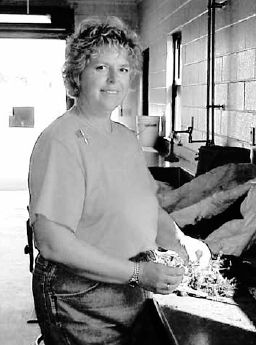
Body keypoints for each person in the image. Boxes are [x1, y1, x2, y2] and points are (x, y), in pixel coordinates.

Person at [28, 16, 211, 345]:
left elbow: (145, 208)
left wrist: (181, 241)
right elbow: (53, 241)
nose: (114, 79)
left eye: (123, 69)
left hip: (130, 284)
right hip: (81, 295)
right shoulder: (61, 140)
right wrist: (140, 274)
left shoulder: (126, 139)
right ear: (76, 75)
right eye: (100, 67)